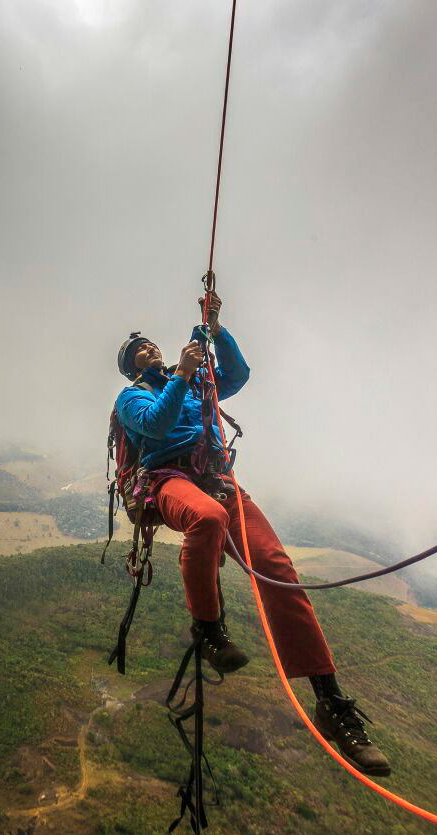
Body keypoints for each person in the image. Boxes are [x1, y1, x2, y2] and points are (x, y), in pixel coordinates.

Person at [114, 294, 391, 777]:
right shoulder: (132, 398)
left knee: (278, 568)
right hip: (170, 479)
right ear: (129, 367)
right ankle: (208, 628)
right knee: (206, 519)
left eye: (151, 343)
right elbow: (155, 429)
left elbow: (237, 376)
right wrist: (180, 375)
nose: (149, 349)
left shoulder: (198, 381)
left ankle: (330, 699)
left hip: (217, 477)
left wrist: (216, 331)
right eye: (139, 350)